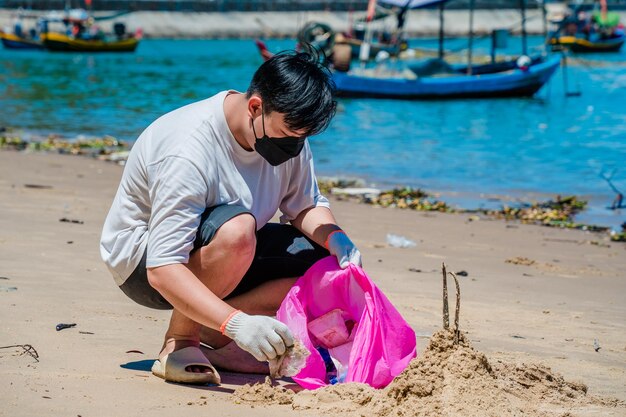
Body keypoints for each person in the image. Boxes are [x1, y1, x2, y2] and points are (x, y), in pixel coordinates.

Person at [100, 51, 362, 385]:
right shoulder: (188, 149)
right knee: (237, 230)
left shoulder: (285, 132)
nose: (296, 147)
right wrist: (239, 324)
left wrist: (338, 240)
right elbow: (163, 267)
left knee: (323, 261)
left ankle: (215, 333)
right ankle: (181, 341)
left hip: (229, 250)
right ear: (255, 107)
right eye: (290, 134)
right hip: (144, 263)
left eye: (303, 137)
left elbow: (305, 205)